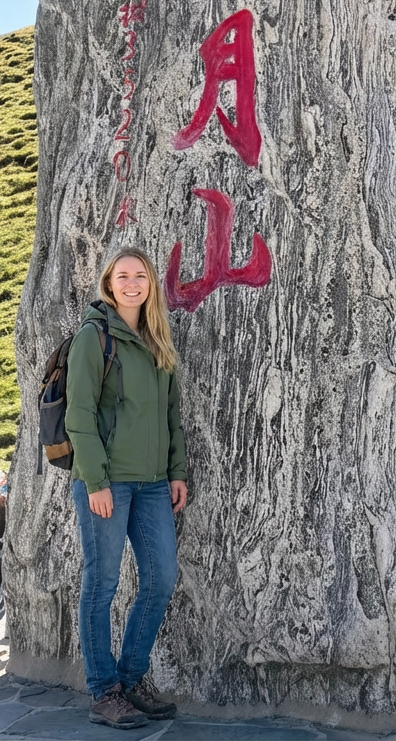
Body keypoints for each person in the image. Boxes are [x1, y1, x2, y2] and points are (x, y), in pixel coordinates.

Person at [66, 246, 187, 730]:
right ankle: (103, 691)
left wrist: (176, 470)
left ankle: (132, 679)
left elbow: (171, 414)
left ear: (151, 284)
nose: (132, 283)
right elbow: (78, 417)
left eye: (141, 276)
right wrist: (95, 481)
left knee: (161, 579)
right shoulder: (93, 339)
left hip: (154, 484)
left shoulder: (158, 339)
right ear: (109, 284)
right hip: (107, 483)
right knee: (102, 585)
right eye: (123, 276)